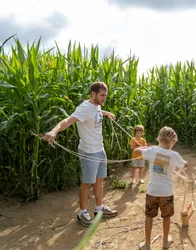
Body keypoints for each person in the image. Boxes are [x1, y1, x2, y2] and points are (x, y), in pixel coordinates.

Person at [43, 82, 118, 227]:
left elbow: (95, 112)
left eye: (106, 96)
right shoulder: (83, 108)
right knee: (87, 182)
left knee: (99, 179)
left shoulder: (96, 106)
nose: (104, 99)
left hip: (100, 149)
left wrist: (106, 113)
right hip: (89, 151)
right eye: (102, 95)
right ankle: (82, 212)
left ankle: (99, 208)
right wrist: (54, 131)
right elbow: (67, 121)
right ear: (93, 94)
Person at [136, 126, 188, 250]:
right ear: (173, 140)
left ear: (159, 138)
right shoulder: (174, 155)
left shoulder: (153, 151)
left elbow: (137, 151)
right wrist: (174, 162)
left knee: (149, 217)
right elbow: (186, 165)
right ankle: (165, 241)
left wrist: (147, 147)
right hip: (166, 193)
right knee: (166, 217)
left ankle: (147, 244)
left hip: (152, 192)